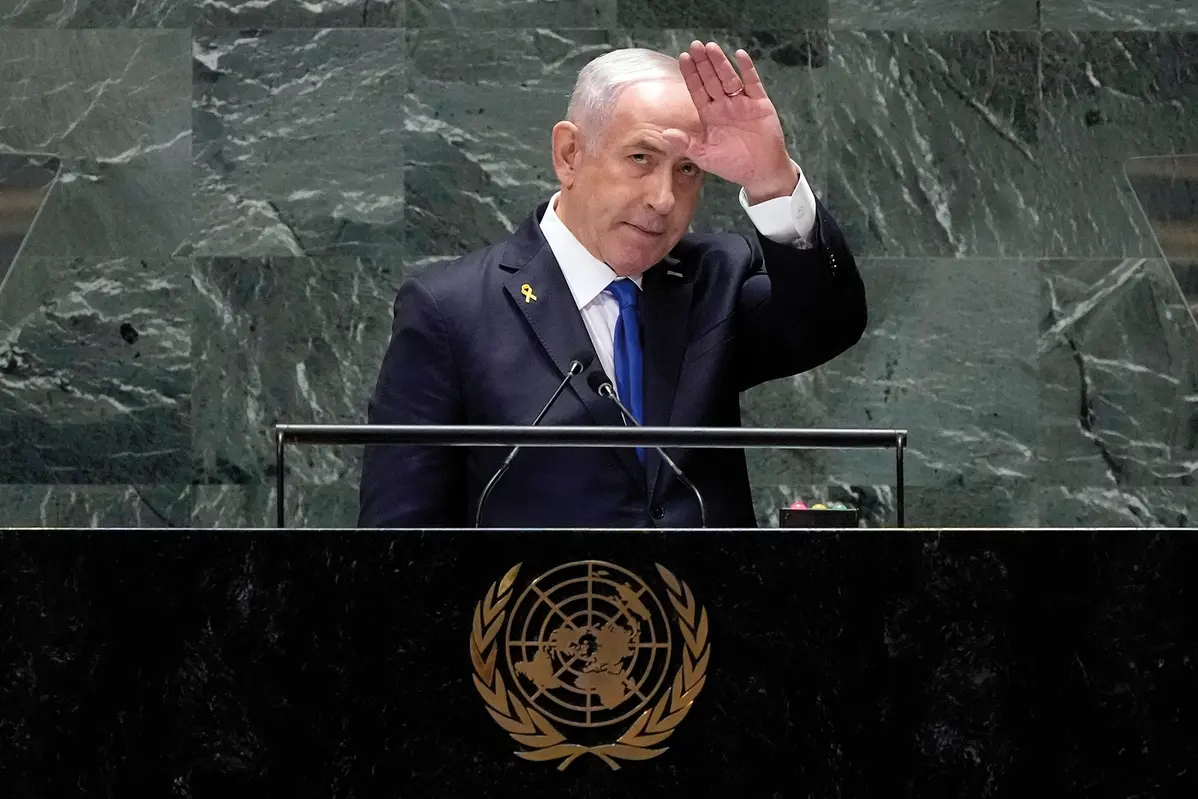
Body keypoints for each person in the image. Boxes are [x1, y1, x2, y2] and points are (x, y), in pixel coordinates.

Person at [358, 42, 866, 529]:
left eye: (687, 169)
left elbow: (827, 324)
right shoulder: (452, 310)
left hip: (705, 613)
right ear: (569, 154)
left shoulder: (716, 279)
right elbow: (400, 538)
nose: (664, 199)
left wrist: (771, 178)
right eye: (641, 159)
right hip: (538, 614)